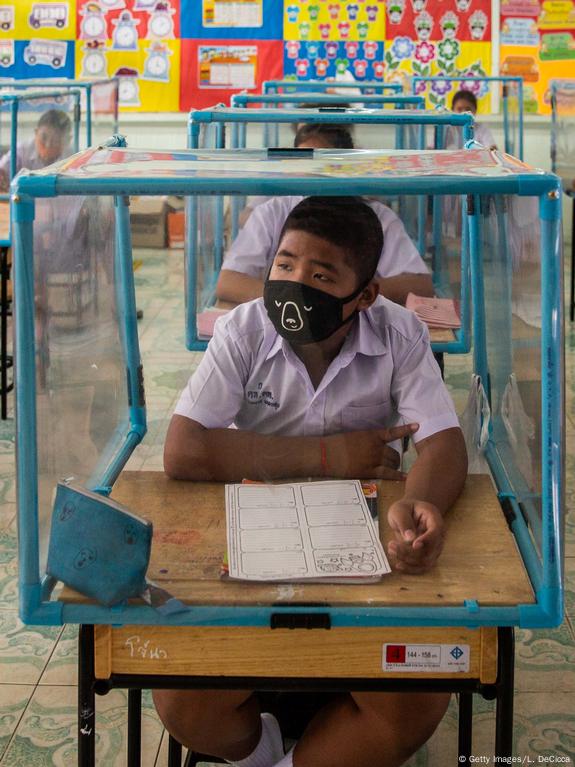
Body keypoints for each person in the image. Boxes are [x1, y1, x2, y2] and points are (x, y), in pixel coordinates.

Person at [154, 196, 468, 767]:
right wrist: (333, 455)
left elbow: (444, 443)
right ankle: (259, 751)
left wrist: (418, 503)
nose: (295, 284)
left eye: (321, 275)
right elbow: (186, 449)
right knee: (181, 695)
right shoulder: (244, 329)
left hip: (365, 549)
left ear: (365, 295)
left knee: (419, 694)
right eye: (284, 265)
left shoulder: (399, 333)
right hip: (256, 546)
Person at [218, 126, 433, 308]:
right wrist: (295, 299)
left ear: (346, 167)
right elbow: (228, 282)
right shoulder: (273, 212)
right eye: (303, 162)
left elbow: (419, 285)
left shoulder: (377, 218)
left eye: (324, 163)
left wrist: (339, 297)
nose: (311, 172)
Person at [238, 122, 355, 228]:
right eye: (304, 159)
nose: (310, 169)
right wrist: (268, 222)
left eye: (320, 161)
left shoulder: (362, 202)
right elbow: (245, 218)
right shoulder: (277, 208)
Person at [0, 109, 72, 191]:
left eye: (55, 140)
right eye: (43, 138)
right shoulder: (22, 150)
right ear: (36, 133)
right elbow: (3, 170)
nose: (48, 145)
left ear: (67, 140)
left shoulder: (73, 157)